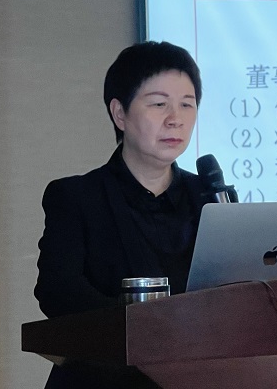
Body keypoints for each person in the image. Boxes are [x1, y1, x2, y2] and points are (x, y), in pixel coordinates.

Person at [34, 41, 217, 388]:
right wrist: (146, 329)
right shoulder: (76, 197)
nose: (175, 119)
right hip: (101, 379)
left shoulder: (209, 200)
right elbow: (57, 291)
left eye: (187, 104)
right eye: (159, 104)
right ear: (120, 113)